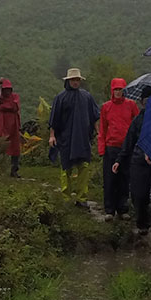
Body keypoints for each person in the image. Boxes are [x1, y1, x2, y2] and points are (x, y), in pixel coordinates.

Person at [114, 85, 151, 240]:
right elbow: (129, 142)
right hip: (139, 161)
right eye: (146, 100)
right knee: (139, 195)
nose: (149, 103)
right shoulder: (137, 120)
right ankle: (142, 224)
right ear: (141, 102)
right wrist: (119, 160)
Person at [48, 67, 100, 203]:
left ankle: (81, 197)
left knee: (84, 167)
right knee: (66, 168)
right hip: (66, 139)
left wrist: (99, 132)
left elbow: (94, 116)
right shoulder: (60, 98)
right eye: (73, 80)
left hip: (83, 138)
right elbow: (54, 120)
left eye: (77, 80)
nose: (75, 82)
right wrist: (52, 136)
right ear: (68, 81)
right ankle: (66, 197)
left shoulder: (87, 97)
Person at [97, 77, 139, 219]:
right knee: (109, 179)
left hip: (126, 148)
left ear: (124, 90)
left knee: (124, 178)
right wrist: (101, 148)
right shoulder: (106, 107)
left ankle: (123, 208)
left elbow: (138, 122)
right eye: (116, 89)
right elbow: (102, 129)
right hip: (111, 147)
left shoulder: (131, 105)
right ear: (112, 90)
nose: (118, 92)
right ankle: (109, 209)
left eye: (120, 89)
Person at [0, 78, 22, 177]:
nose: (6, 91)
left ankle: (14, 170)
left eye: (8, 89)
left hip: (13, 125)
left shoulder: (14, 97)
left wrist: (1, 106)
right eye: (4, 89)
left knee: (15, 147)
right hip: (2, 125)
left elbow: (14, 106)